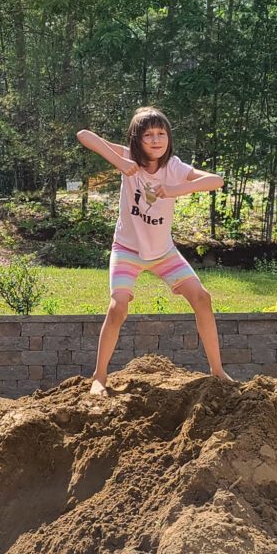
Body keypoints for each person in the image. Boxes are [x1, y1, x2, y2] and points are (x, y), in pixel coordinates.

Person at [77, 106, 232, 395]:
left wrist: (175, 190)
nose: (156, 140)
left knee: (202, 298)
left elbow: (216, 180)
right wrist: (120, 163)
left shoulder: (174, 167)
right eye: (148, 135)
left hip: (163, 252)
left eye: (161, 134)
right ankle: (99, 377)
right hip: (127, 249)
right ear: (137, 139)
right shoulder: (128, 157)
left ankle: (217, 370)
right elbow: (85, 135)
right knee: (118, 305)